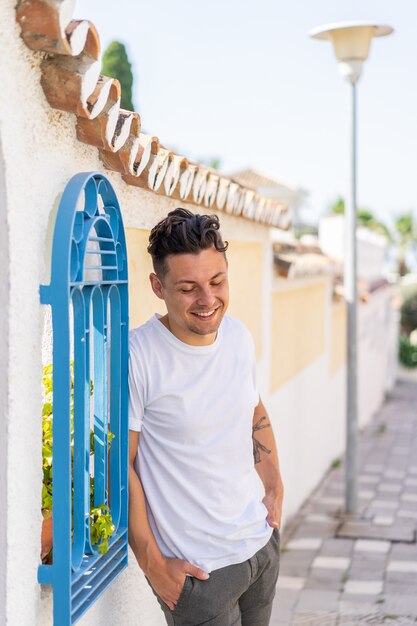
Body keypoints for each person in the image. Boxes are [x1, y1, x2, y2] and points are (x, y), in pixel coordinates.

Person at [128, 208, 284, 626]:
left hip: (259, 549)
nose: (208, 299)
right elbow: (117, 463)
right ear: (158, 286)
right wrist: (152, 564)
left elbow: (253, 409)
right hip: (200, 575)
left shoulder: (237, 336)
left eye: (217, 281)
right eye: (188, 288)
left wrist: (274, 486)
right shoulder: (137, 356)